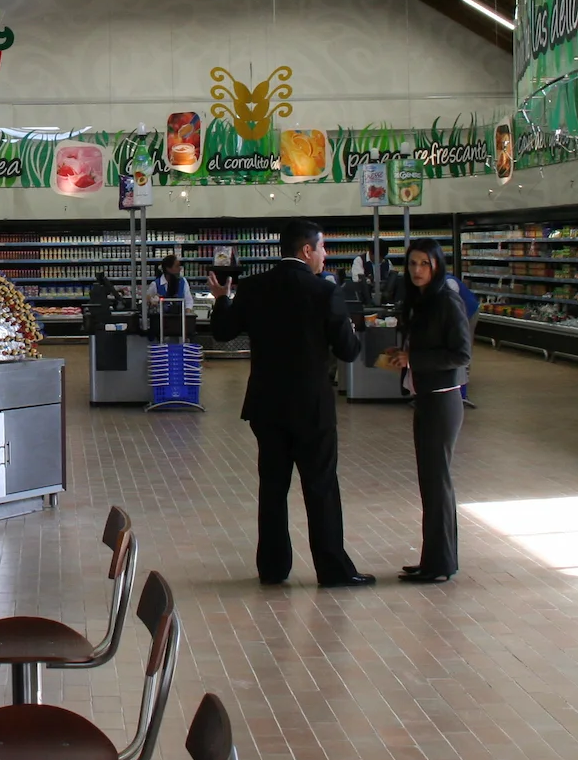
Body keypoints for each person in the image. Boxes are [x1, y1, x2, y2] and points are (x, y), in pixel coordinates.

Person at [209, 219, 373, 588]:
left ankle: (273, 567)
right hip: (312, 407)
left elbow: (222, 333)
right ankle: (332, 569)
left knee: (273, 487)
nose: (325, 255)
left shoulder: (253, 288)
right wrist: (348, 325)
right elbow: (348, 350)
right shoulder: (323, 292)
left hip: (266, 406)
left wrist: (221, 299)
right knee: (321, 487)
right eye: (323, 248)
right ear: (306, 251)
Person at [379, 238, 471, 583]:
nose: (418, 271)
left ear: (437, 266)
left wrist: (415, 359)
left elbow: (461, 354)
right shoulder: (420, 302)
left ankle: (440, 564)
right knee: (431, 483)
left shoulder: (447, 301)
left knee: (437, 481)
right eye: (413, 264)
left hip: (443, 399)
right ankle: (435, 558)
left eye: (424, 264)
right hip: (426, 396)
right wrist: (403, 354)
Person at [149, 253, 195, 337]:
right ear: (168, 269)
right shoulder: (155, 284)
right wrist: (153, 303)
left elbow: (188, 300)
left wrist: (187, 313)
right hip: (162, 326)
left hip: (179, 324)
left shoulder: (183, 281)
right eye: (177, 266)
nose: (180, 269)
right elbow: (148, 302)